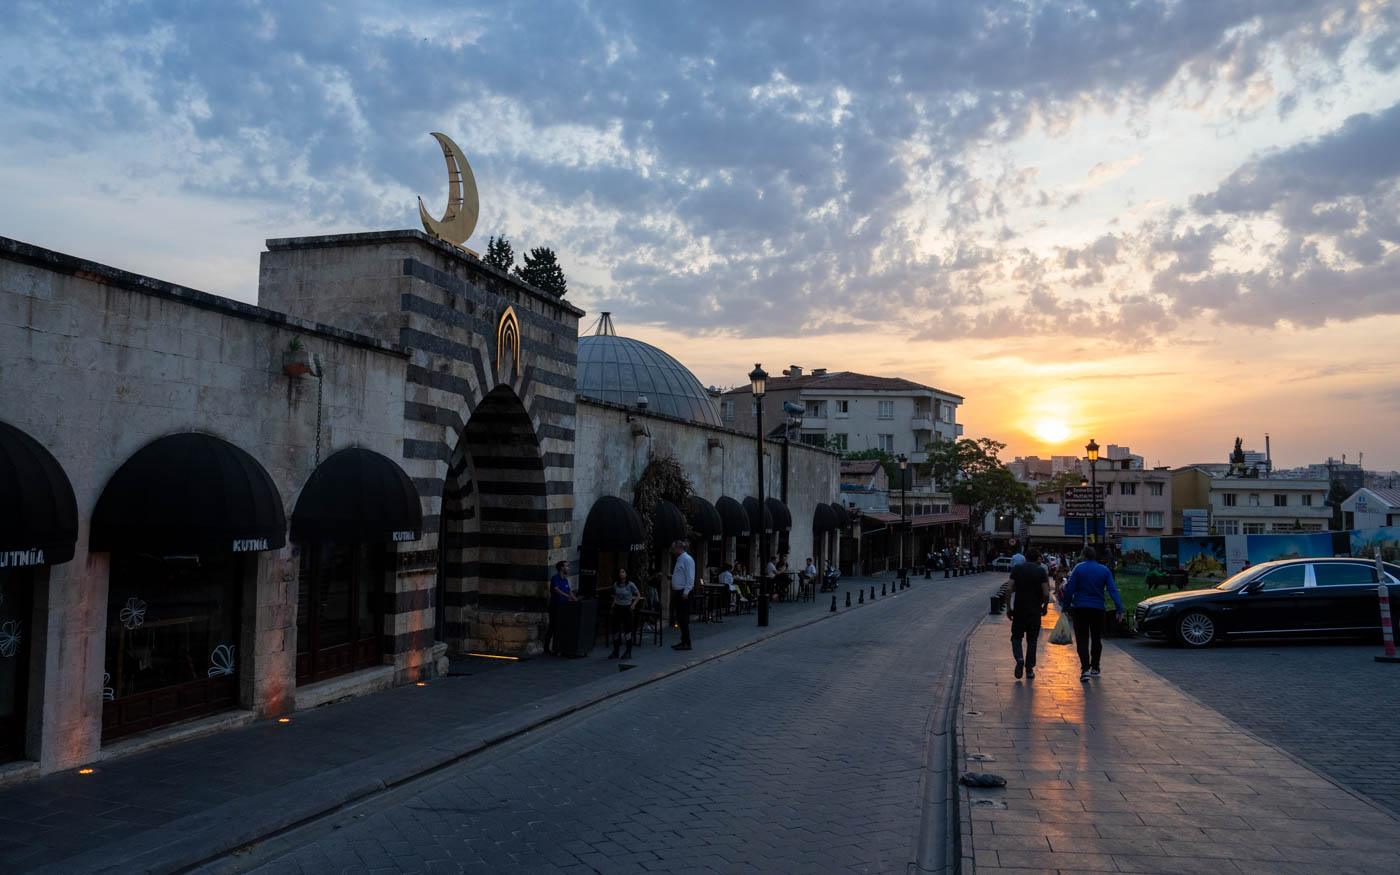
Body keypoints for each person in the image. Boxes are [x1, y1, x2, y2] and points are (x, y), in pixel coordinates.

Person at [1060, 546, 1125, 681]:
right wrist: (1119, 609)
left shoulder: (1078, 568)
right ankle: (1095, 667)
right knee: (1096, 638)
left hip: (1080, 608)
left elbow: (1070, 589)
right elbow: (1113, 590)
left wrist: (1065, 606)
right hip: (1098, 609)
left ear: (1083, 556)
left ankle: (1085, 669)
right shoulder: (1104, 570)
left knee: (1082, 639)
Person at [1007, 548, 1050, 679]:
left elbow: (1009, 588)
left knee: (1016, 637)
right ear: (1037, 558)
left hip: (1019, 609)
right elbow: (1046, 593)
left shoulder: (1017, 569)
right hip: (1035, 610)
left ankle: (1019, 658)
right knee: (1032, 640)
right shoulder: (1041, 571)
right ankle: (1029, 669)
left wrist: (1009, 607)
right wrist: (1045, 606)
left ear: (1025, 558)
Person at [545, 559, 577, 656]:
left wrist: (575, 599)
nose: (568, 568)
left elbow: (569, 591)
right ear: (561, 568)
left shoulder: (565, 580)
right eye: (566, 566)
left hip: (564, 607)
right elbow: (556, 590)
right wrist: (567, 596)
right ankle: (547, 647)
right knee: (553, 627)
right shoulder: (555, 578)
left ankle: (559, 648)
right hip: (555, 607)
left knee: (561, 627)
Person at [608, 567, 640, 660]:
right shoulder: (616, 585)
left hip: (627, 608)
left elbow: (638, 595)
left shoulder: (630, 585)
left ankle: (628, 651)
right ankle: (616, 651)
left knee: (627, 631)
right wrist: (612, 607)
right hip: (617, 608)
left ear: (626, 574)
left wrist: (633, 604)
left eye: (623, 572)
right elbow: (615, 596)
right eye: (619, 572)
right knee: (615, 631)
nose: (621, 574)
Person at [670, 539, 695, 650]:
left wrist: (686, 592)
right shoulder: (679, 559)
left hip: (684, 593)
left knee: (683, 618)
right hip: (678, 592)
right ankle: (683, 640)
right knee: (679, 617)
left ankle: (687, 642)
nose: (672, 550)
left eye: (673, 548)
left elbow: (690, 578)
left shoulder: (687, 559)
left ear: (679, 548)